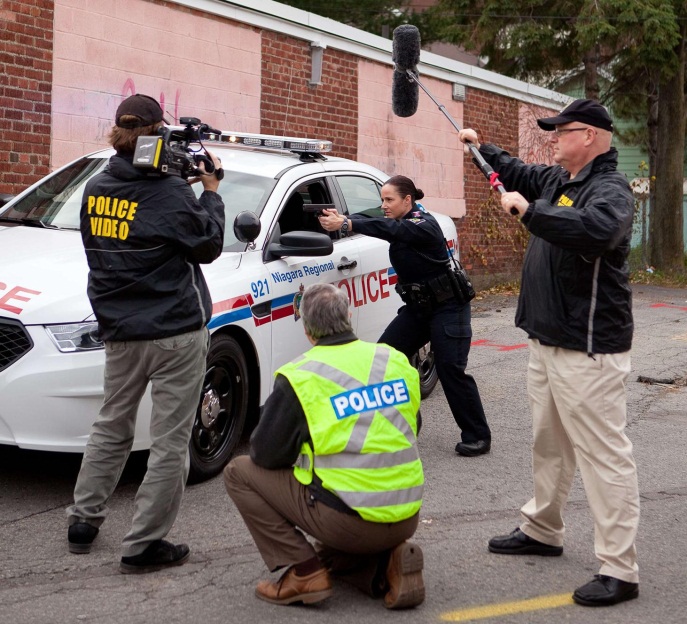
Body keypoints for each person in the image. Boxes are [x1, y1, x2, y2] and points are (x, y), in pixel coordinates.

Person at [458, 99, 639, 607]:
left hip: (587, 348)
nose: (554, 139)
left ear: (593, 136)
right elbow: (516, 170)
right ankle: (543, 529)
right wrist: (482, 147)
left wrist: (531, 212)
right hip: (547, 339)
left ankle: (620, 568)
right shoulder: (560, 181)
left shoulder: (610, 190)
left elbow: (598, 231)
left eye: (563, 131)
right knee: (548, 444)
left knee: (603, 456)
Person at [65, 94, 226, 573]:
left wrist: (177, 183)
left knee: (111, 425)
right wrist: (211, 191)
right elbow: (208, 244)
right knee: (170, 440)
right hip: (175, 329)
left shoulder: (96, 187)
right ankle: (143, 545)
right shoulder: (171, 193)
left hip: (119, 328)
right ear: (159, 134)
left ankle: (83, 521)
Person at [224, 283, 425, 609]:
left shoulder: (302, 375)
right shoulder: (394, 359)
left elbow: (264, 453)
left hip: (349, 523)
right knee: (333, 554)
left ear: (307, 330)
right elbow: (412, 426)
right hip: (406, 515)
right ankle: (386, 563)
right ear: (348, 315)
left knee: (239, 471)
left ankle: (304, 573)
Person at [319, 175, 491, 456]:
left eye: (389, 200)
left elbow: (391, 228)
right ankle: (391, 422)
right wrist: (342, 217)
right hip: (420, 309)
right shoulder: (398, 218)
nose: (384, 205)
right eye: (382, 199)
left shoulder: (425, 224)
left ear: (407, 201)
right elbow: (375, 217)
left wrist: (348, 224)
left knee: (450, 370)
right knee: (384, 356)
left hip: (449, 307)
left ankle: (478, 435)